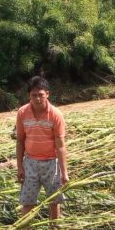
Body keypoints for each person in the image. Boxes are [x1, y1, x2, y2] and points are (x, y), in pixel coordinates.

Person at [16, 76, 69, 220]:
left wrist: (64, 173)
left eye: (41, 95)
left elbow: (60, 146)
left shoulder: (55, 115)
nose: (38, 98)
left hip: (51, 163)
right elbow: (20, 140)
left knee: (54, 200)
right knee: (27, 201)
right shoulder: (22, 113)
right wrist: (20, 166)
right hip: (30, 163)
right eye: (34, 95)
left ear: (47, 94)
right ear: (29, 96)